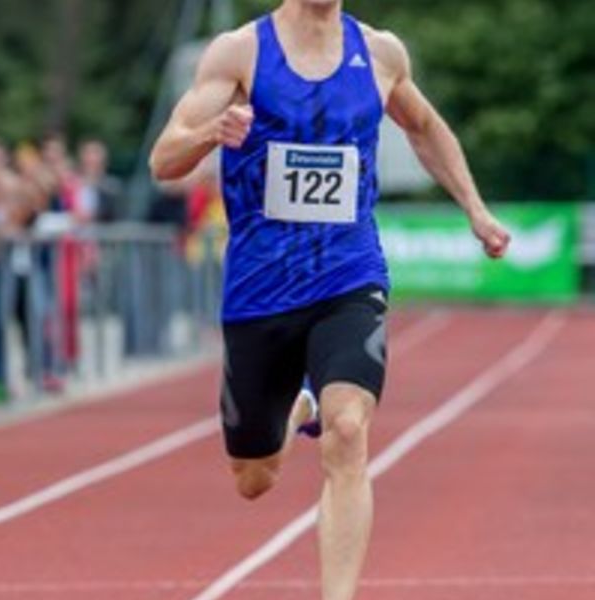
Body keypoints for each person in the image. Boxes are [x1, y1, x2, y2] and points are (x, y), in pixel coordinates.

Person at [150, 1, 511, 598]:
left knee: (348, 430)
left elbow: (424, 127)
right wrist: (212, 134)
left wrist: (475, 208)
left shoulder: (380, 52)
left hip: (349, 273)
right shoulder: (240, 52)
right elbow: (164, 158)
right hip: (261, 288)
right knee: (254, 476)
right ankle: (299, 404)